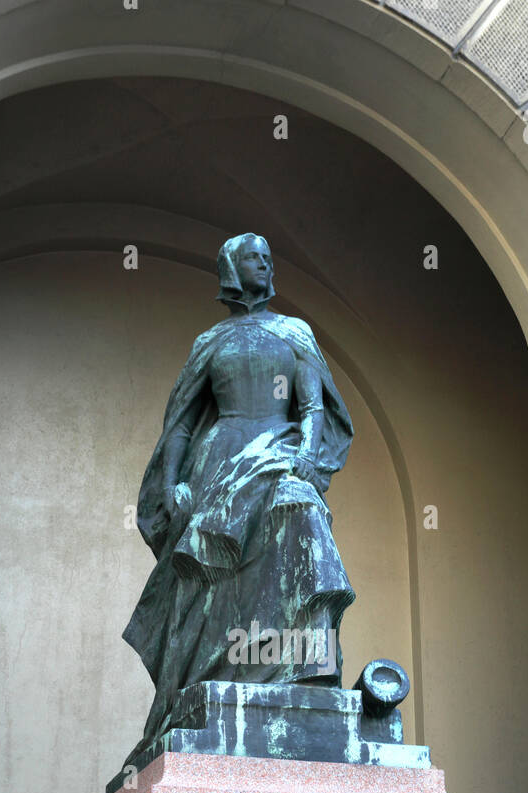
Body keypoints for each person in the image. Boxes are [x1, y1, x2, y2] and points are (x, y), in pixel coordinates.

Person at [123, 232, 356, 753]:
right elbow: (180, 424)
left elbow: (313, 408)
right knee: (210, 574)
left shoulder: (295, 331)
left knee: (302, 520)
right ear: (231, 266)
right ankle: (209, 674)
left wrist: (306, 456)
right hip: (219, 455)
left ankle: (302, 666)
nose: (266, 266)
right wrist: (171, 484)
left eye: (270, 259)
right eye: (255, 258)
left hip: (279, 447)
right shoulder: (211, 342)